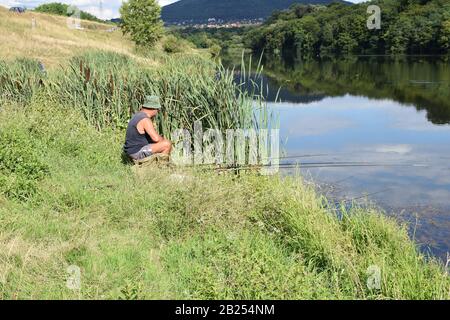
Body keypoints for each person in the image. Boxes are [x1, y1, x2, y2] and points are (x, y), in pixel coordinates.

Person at [123, 95, 172, 161]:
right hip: (136, 152)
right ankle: (160, 166)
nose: (157, 112)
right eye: (157, 109)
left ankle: (153, 163)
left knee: (160, 143)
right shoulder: (145, 119)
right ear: (154, 109)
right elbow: (156, 139)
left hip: (131, 151)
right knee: (167, 144)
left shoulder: (137, 115)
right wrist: (163, 140)